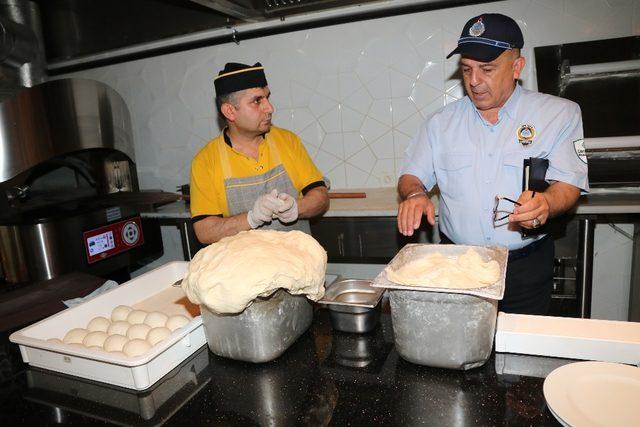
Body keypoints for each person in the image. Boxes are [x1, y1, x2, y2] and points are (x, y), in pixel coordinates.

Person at [396, 13, 588, 315]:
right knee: (459, 351)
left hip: (524, 268)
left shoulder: (558, 115)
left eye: (487, 69)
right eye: (467, 69)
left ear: (517, 67)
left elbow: (569, 184)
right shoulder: (439, 124)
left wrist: (547, 203)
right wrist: (415, 194)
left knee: (520, 351)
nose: (474, 81)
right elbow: (411, 176)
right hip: (456, 266)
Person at [190, 62, 329, 244]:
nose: (269, 108)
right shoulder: (205, 161)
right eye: (257, 101)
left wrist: (296, 207)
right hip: (244, 268)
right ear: (230, 111)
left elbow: (320, 196)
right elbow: (204, 231)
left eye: (267, 97)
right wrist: (251, 218)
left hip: (298, 261)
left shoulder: (287, 141)